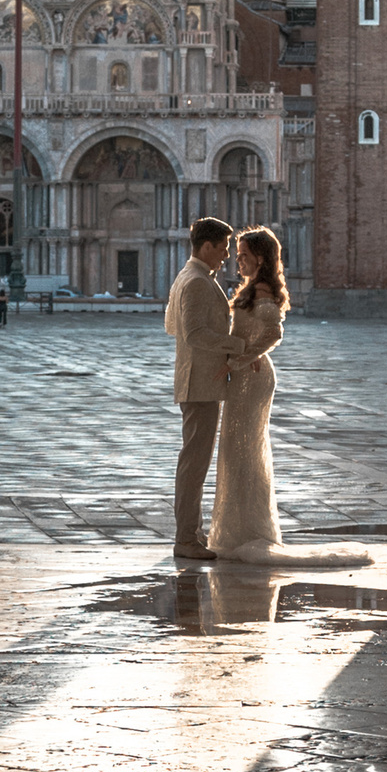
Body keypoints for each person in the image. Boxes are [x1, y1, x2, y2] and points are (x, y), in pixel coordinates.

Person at [209, 226, 370, 568]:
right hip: (244, 376)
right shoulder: (253, 288)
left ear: (262, 258)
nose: (238, 262)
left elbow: (273, 331)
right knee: (237, 450)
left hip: (252, 378)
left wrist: (241, 358)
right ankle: (236, 531)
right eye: (237, 256)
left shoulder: (264, 290)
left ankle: (247, 531)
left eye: (244, 257)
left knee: (244, 449)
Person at [164, 216, 233, 559]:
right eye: (222, 249)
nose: (226, 256)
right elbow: (192, 333)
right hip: (200, 385)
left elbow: (172, 326)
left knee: (195, 461)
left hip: (200, 381)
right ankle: (186, 539)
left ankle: (192, 533)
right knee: (194, 463)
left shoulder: (190, 276)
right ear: (206, 246)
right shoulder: (195, 281)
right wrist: (234, 344)